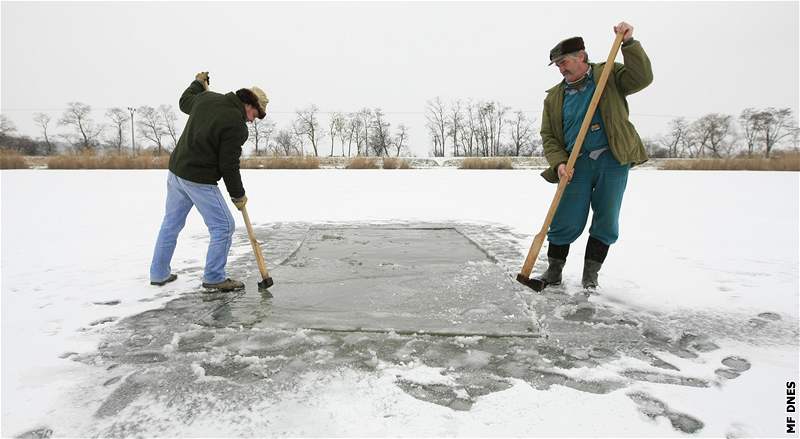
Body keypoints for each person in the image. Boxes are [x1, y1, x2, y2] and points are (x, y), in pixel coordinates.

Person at [536, 22, 653, 290]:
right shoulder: (554, 97)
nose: (561, 68)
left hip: (612, 161)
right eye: (557, 65)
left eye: (564, 62)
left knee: (607, 218)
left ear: (582, 57)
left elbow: (642, 78)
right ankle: (554, 271)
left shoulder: (608, 75)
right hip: (575, 165)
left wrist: (629, 44)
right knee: (565, 216)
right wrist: (560, 162)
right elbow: (549, 136)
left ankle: (591, 276)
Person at [149, 71, 268, 292]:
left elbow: (185, 102)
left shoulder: (207, 98)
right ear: (248, 104)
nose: (252, 120)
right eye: (255, 114)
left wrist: (197, 84)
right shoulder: (236, 125)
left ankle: (158, 273)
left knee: (171, 224)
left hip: (176, 172)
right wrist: (238, 195)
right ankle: (214, 277)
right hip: (198, 178)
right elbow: (228, 165)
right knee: (223, 226)